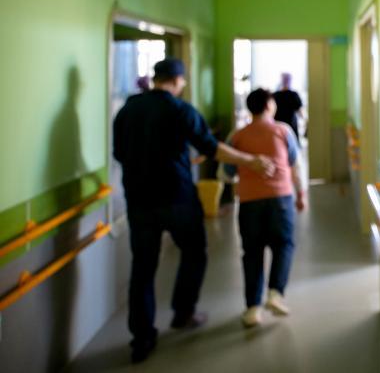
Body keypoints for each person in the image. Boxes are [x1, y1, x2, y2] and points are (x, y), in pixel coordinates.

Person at [113, 58, 275, 364]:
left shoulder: (128, 110)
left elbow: (120, 153)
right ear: (177, 80)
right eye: (183, 81)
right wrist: (250, 161)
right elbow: (211, 148)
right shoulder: (180, 110)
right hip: (177, 198)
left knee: (142, 268)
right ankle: (183, 312)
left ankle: (141, 339)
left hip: (139, 200)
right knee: (194, 252)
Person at [223, 88, 306, 327]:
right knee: (284, 245)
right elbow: (296, 166)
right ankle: (275, 294)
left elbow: (226, 173)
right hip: (281, 198)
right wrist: (301, 194)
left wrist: (246, 171)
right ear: (270, 106)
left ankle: (252, 309)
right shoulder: (283, 130)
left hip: (249, 202)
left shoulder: (237, 136)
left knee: (252, 252)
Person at [272, 72, 304, 139]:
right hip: (291, 128)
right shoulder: (294, 95)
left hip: (277, 129)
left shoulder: (274, 95)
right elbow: (301, 114)